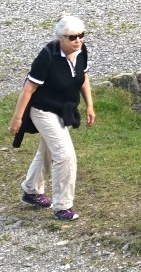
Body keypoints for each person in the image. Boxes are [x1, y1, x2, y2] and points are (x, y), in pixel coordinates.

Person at [9, 13, 96, 222]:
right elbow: (28, 89)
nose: (78, 40)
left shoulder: (81, 50)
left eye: (81, 35)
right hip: (42, 110)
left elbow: (83, 76)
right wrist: (17, 118)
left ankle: (31, 190)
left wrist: (90, 105)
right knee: (65, 155)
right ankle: (62, 206)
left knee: (48, 150)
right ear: (61, 38)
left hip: (62, 109)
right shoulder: (47, 56)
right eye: (72, 37)